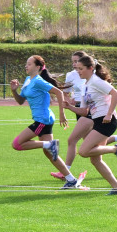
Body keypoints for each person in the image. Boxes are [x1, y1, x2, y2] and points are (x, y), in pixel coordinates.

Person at [63, 55, 117, 195]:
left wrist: (109, 113)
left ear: (90, 68)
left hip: (107, 121)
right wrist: (69, 107)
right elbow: (84, 111)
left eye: (81, 69)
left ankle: (115, 148)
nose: (78, 71)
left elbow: (116, 93)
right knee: (96, 160)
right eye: (77, 69)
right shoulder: (85, 86)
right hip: (98, 121)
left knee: (83, 151)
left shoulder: (96, 81)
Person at [9, 55, 77, 187]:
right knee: (50, 153)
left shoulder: (38, 81)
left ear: (38, 67)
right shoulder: (29, 80)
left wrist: (62, 114)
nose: (26, 66)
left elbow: (59, 92)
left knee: (17, 144)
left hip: (42, 120)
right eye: (26, 64)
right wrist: (14, 91)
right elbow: (21, 101)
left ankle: (48, 144)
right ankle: (71, 179)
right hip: (44, 119)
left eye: (29, 64)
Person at [52, 50, 92, 180]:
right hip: (79, 109)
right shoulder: (71, 75)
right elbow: (66, 92)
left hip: (91, 110)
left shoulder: (92, 73)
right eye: (72, 62)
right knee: (90, 142)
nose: (74, 64)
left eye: (76, 61)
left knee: (73, 140)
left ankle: (65, 172)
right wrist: (69, 101)